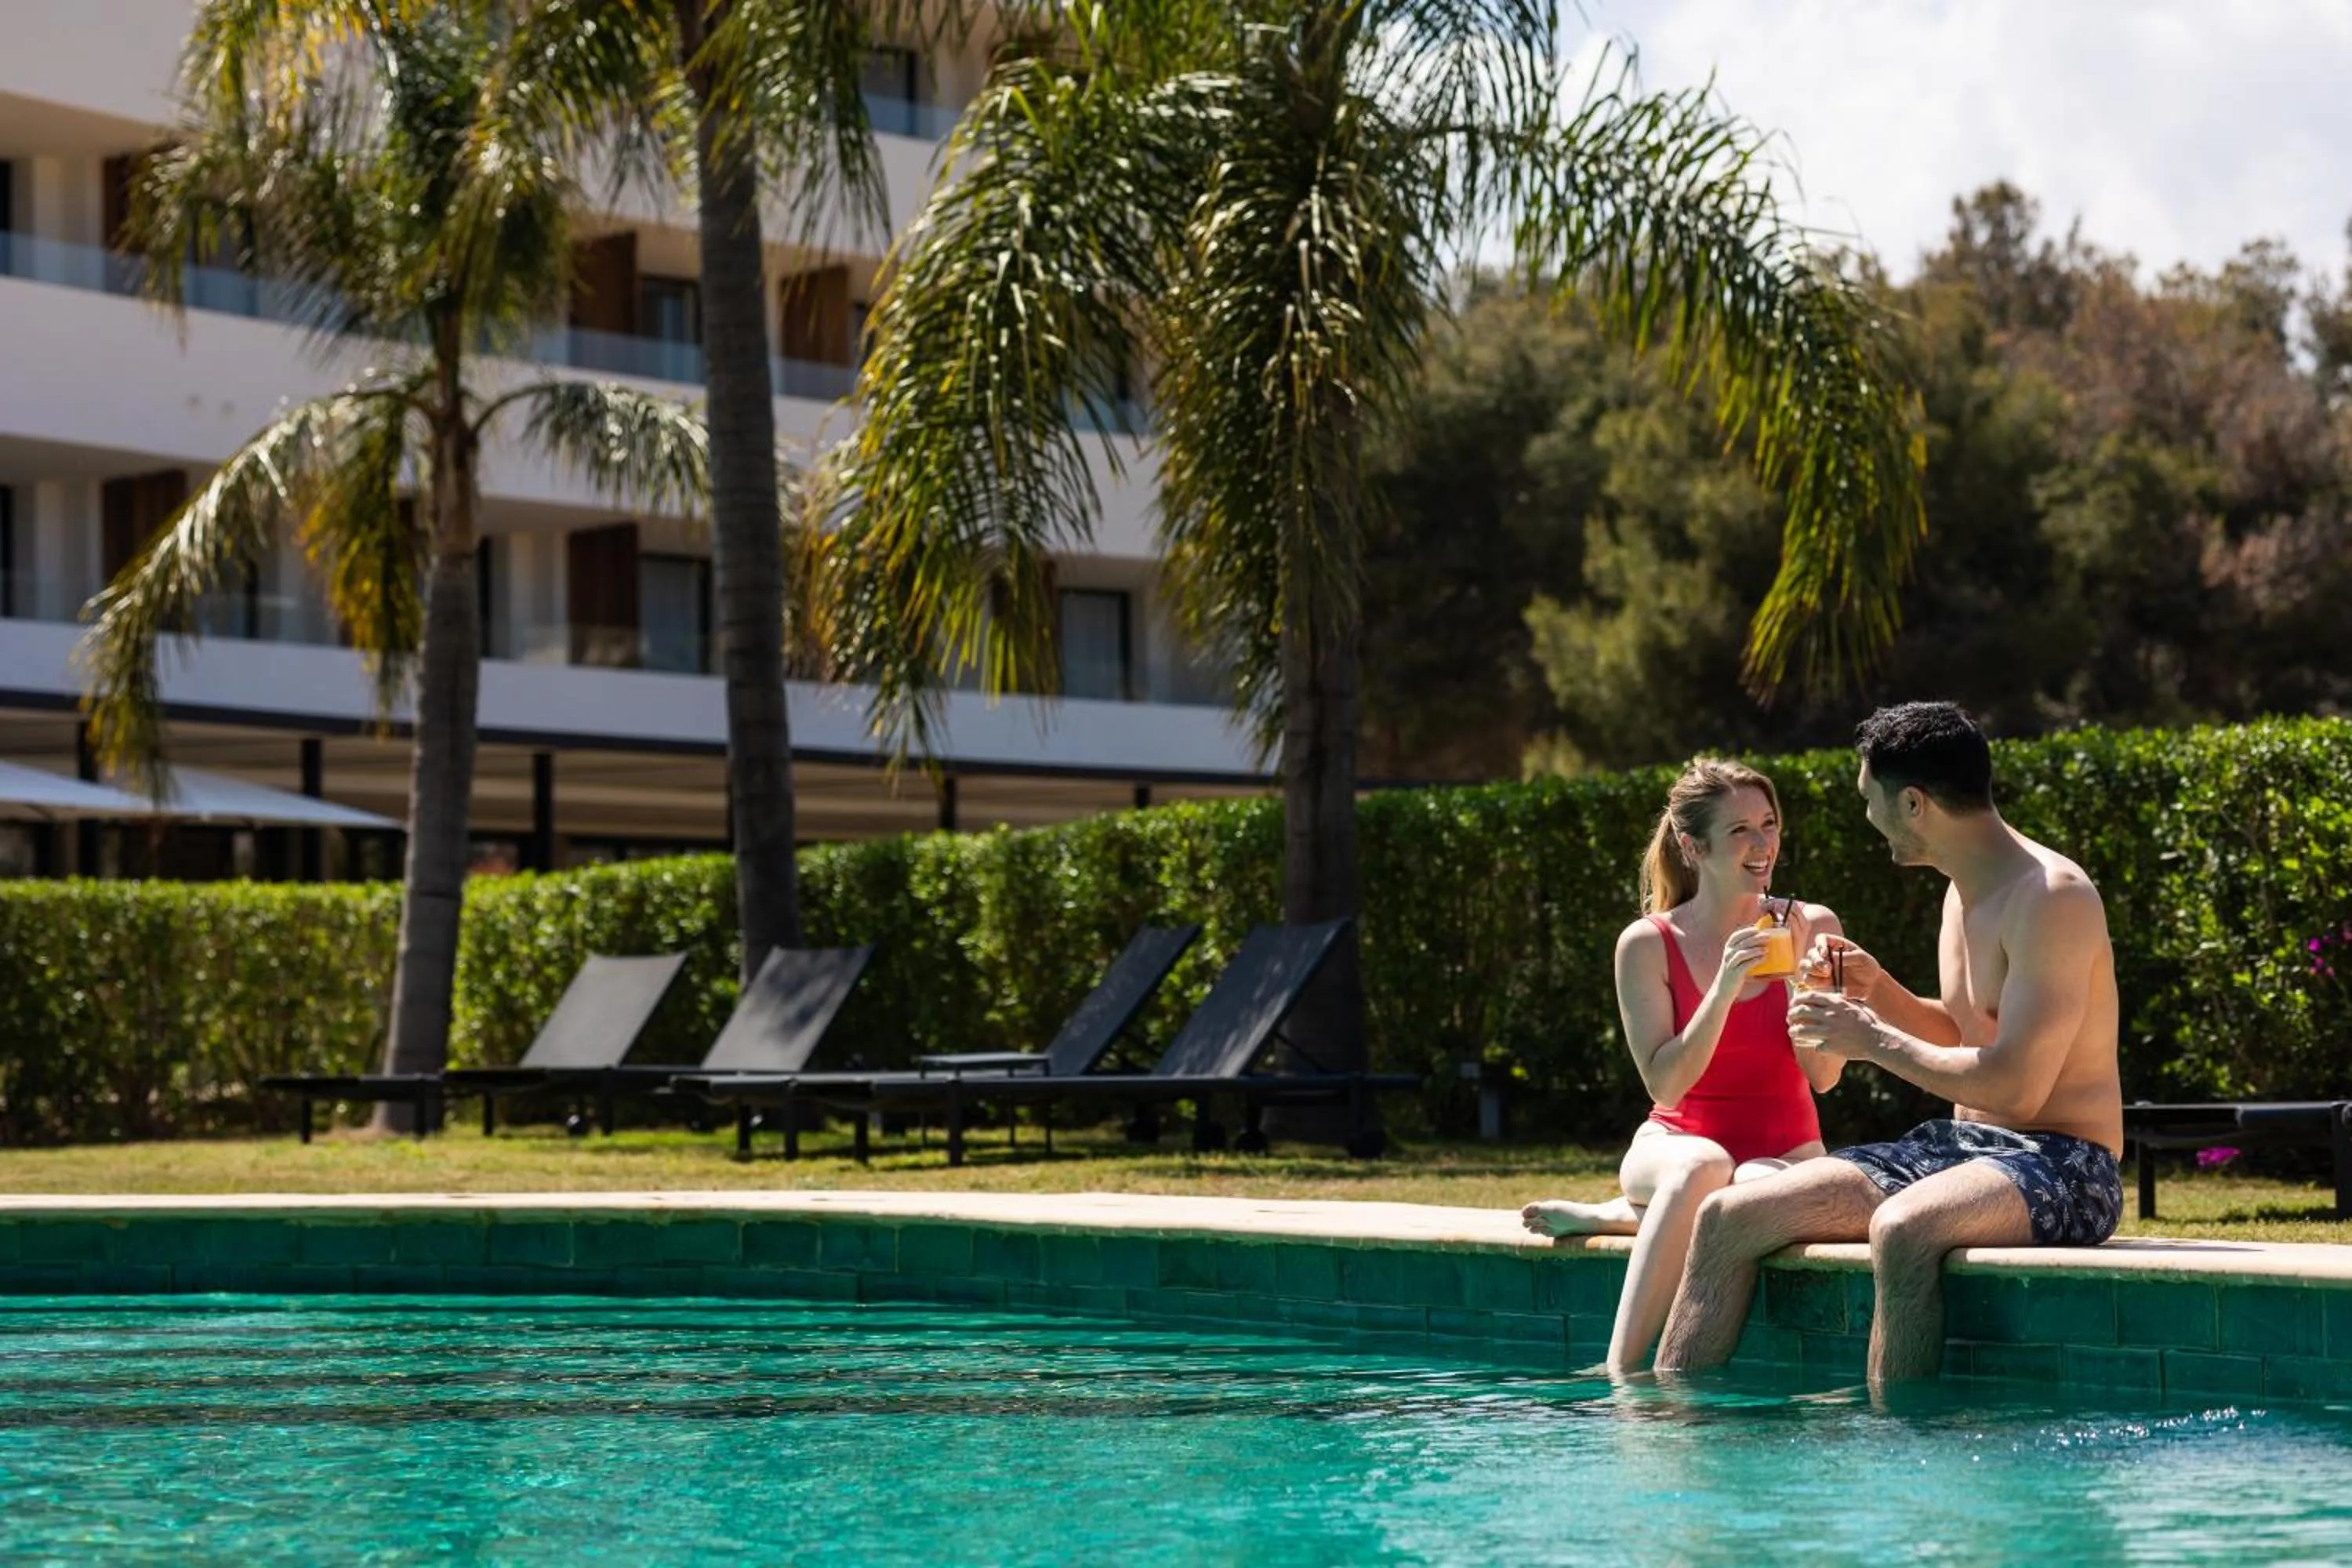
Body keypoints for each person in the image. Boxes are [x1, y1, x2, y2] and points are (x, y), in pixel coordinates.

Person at [1652, 702, 2123, 1388]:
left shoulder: (2051, 897)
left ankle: (1897, 1453)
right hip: (1964, 1152)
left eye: (1870, 800)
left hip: (2068, 1164)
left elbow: (2018, 1087)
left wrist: (1872, 1040)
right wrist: (1879, 992)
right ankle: (1669, 1435)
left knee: (1902, 1229)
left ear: (1913, 802)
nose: (1868, 818)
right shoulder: (1964, 892)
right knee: (1727, 1215)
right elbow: (1971, 1033)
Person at [1520, 758, 1845, 1372]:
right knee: (1705, 1162)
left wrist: (1804, 988)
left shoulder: (1814, 924)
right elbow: (1666, 1081)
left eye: (1769, 825)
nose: (1762, 845)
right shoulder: (1647, 943)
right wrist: (1725, 985)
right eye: (1740, 831)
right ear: (1693, 847)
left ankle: (1621, 1217)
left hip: (1785, 1152)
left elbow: (1824, 1079)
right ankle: (1621, 1373)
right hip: (1675, 1142)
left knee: (1747, 1187)